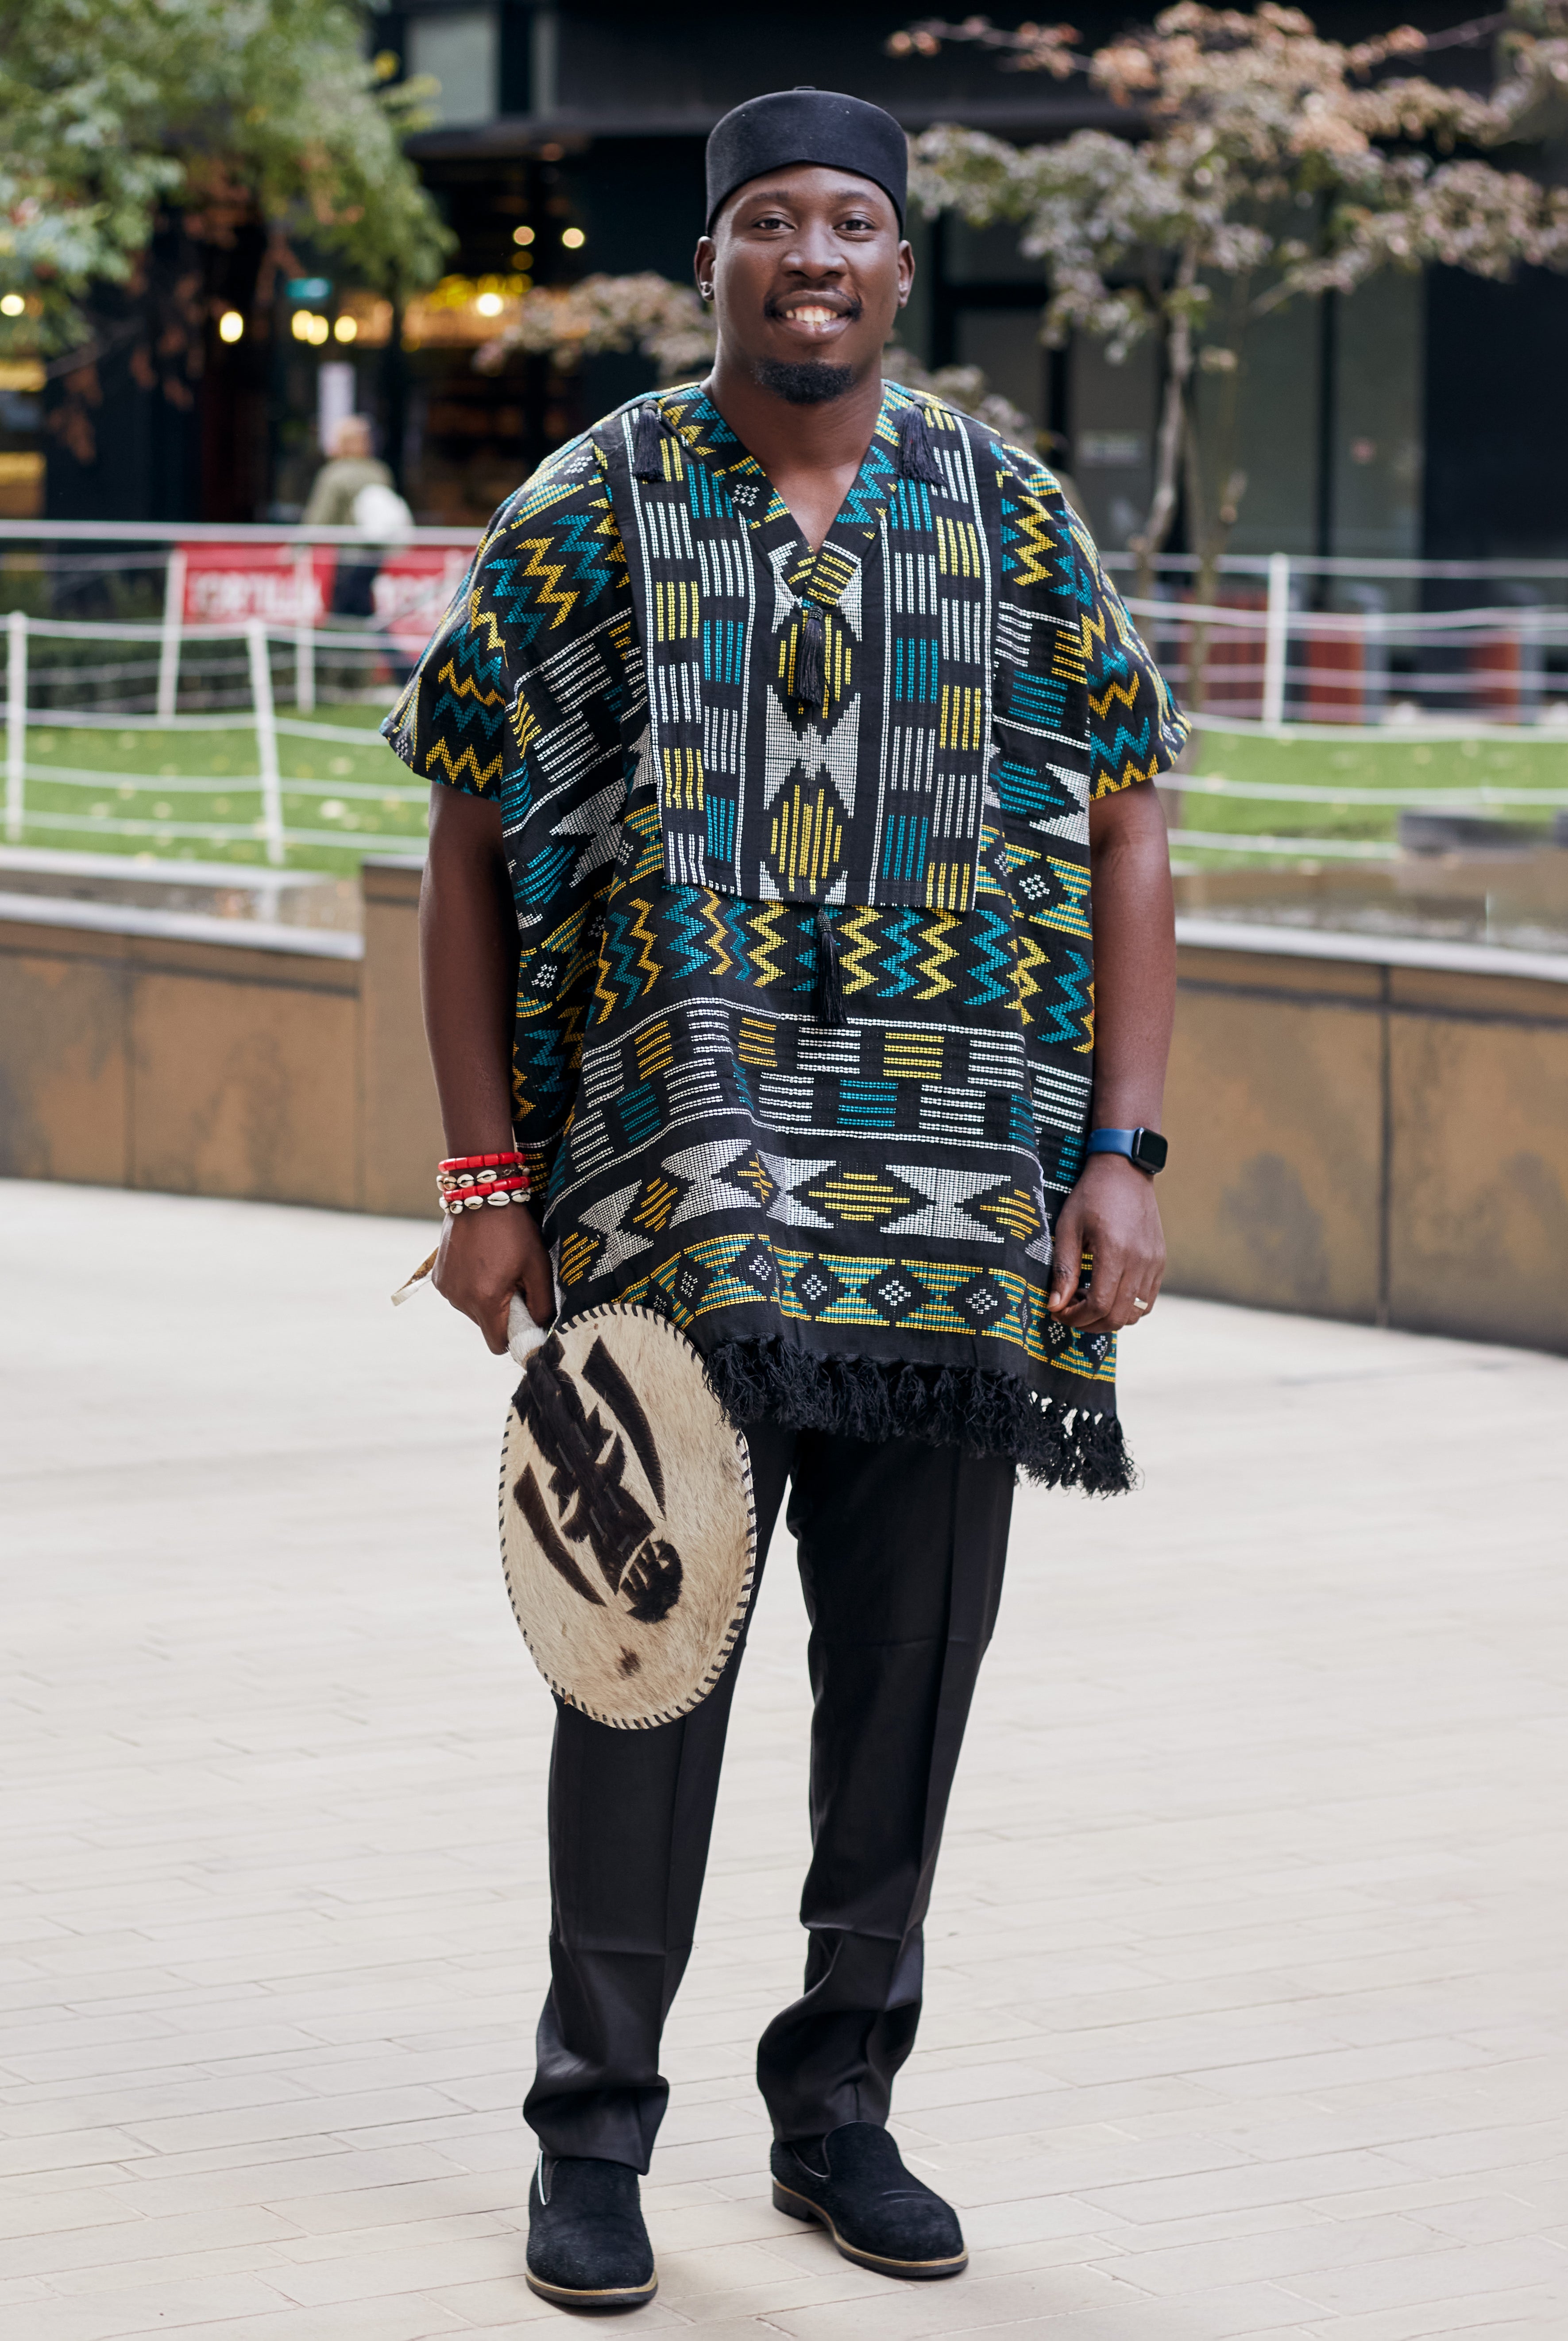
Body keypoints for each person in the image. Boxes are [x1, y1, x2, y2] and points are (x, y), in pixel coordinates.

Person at [385, 85, 1184, 2314]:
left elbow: (1128, 814)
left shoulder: (1007, 509)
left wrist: (1124, 1149)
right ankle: (593, 2131)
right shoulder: (594, 503)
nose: (809, 254)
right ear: (714, 254)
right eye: (767, 220)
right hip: (672, 1201)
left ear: (900, 264)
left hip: (966, 1211)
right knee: (640, 1657)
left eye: (851, 221)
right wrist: (480, 1174)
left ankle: (839, 2103)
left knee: (908, 1681)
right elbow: (468, 838)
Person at [302, 413, 402, 617]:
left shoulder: (335, 474)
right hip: (375, 554)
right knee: (363, 608)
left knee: (345, 614)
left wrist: (299, 545)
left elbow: (320, 519)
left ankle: (375, 649)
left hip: (349, 555)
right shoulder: (380, 471)